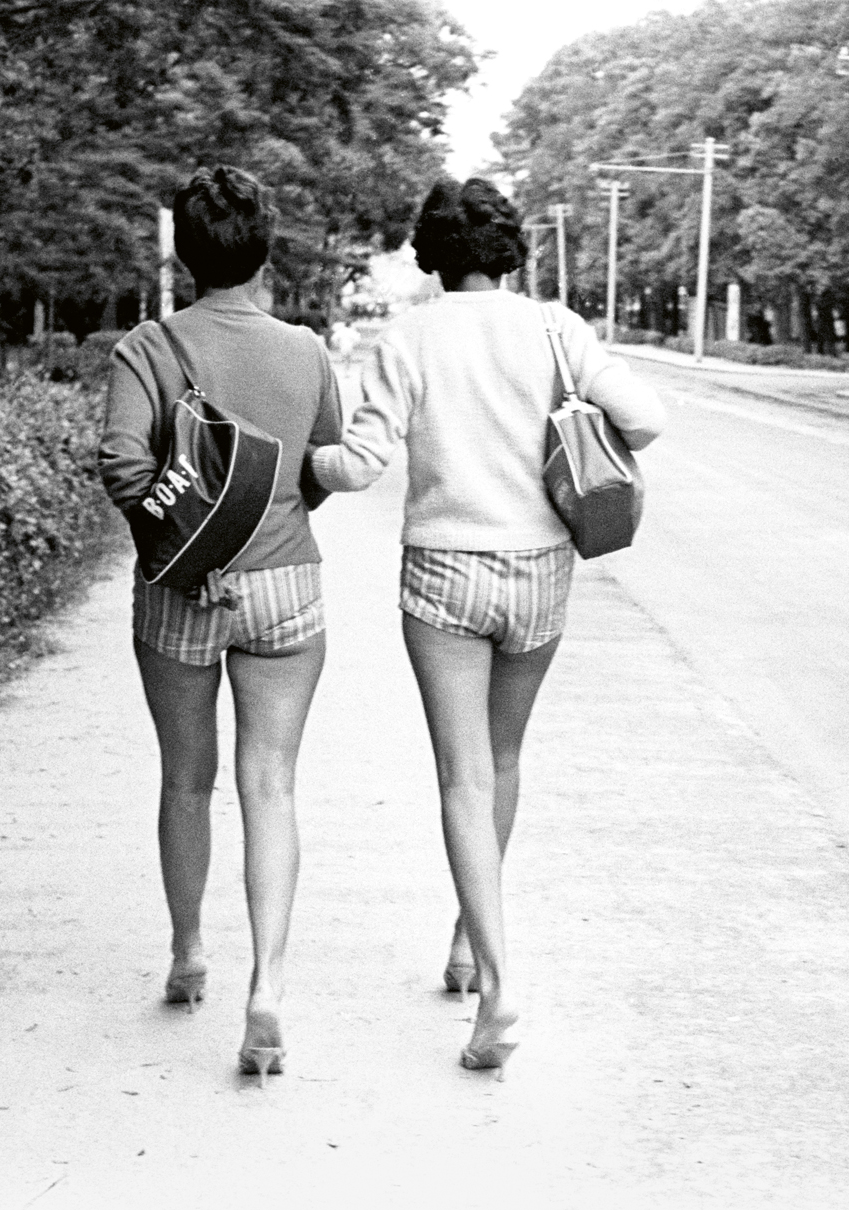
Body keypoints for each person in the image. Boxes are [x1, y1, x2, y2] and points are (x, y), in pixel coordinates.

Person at [307, 178, 666, 1073]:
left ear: (430, 252)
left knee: (462, 778)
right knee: (503, 764)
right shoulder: (557, 329)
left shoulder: (410, 336)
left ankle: (499, 983)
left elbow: (358, 465)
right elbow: (648, 420)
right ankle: (468, 944)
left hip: (443, 573)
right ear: (510, 249)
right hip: (541, 572)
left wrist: (297, 461)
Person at [98, 166, 342, 1080]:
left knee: (187, 780)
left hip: (178, 594)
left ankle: (190, 951)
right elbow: (319, 466)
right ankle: (268, 985)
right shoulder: (307, 350)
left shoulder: (147, 348)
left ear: (182, 253)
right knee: (271, 784)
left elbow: (124, 467)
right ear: (264, 249)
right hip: (286, 587)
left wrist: (187, 549)